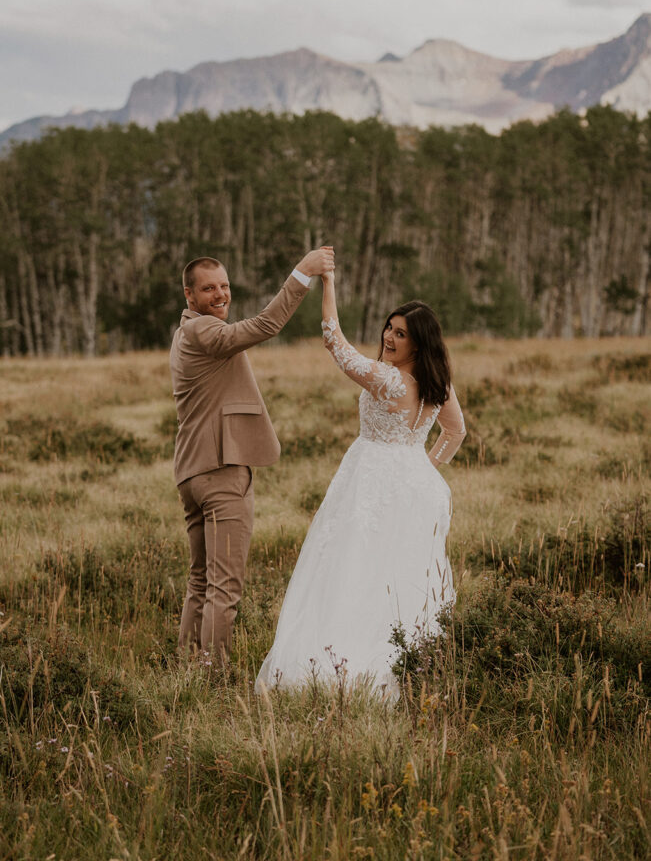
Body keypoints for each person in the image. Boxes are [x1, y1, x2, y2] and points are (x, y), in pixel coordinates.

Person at [256, 268, 466, 694]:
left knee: (352, 564)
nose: (389, 337)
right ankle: (410, 663)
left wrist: (328, 284)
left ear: (419, 343)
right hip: (409, 485)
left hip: (369, 479)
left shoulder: (389, 379)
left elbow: (335, 342)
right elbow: (454, 432)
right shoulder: (436, 382)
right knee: (394, 569)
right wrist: (422, 469)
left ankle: (341, 665)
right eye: (389, 328)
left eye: (401, 334)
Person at [170, 247, 335, 663]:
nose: (220, 295)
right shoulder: (204, 332)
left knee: (201, 581)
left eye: (224, 286)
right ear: (189, 295)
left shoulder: (185, 333)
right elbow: (266, 324)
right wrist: (302, 273)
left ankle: (188, 667)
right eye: (209, 289)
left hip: (192, 472)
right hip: (220, 471)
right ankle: (214, 678)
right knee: (223, 587)